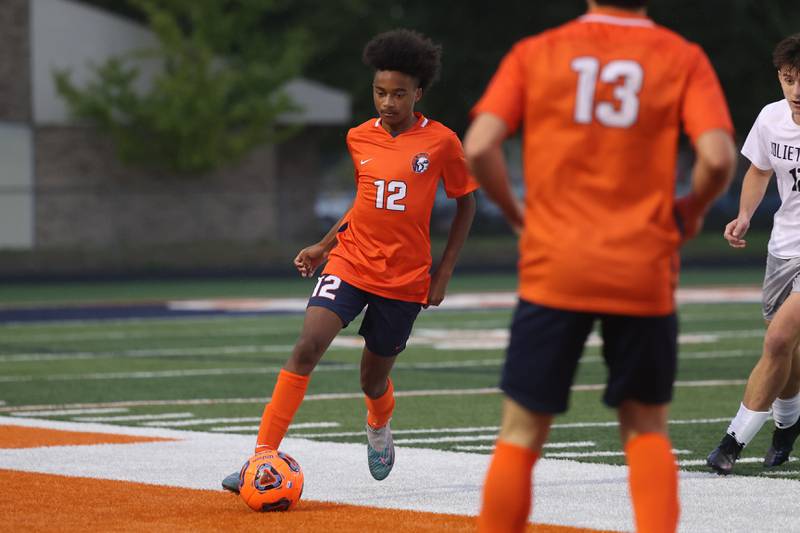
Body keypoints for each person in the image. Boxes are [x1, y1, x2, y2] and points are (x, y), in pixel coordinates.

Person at [464, 1, 735, 531]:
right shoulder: (681, 56)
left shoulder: (536, 51)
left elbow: (478, 146)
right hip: (642, 267)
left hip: (555, 265)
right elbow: (719, 158)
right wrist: (691, 210)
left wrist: (521, 216)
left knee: (521, 432)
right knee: (646, 428)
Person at [221, 28, 477, 491]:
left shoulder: (442, 143)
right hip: (351, 261)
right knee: (308, 345)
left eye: (399, 93)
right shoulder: (359, 138)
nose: (387, 102)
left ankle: (378, 425)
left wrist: (443, 274)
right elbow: (364, 202)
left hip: (403, 279)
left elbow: (466, 204)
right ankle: (259, 457)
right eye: (380, 92)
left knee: (371, 381)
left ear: (418, 93)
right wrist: (324, 245)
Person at [706, 34, 800, 475]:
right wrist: (744, 215)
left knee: (778, 340)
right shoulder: (771, 118)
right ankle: (789, 425)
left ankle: (731, 443)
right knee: (789, 352)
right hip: (782, 248)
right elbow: (760, 169)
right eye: (788, 79)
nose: (796, 90)